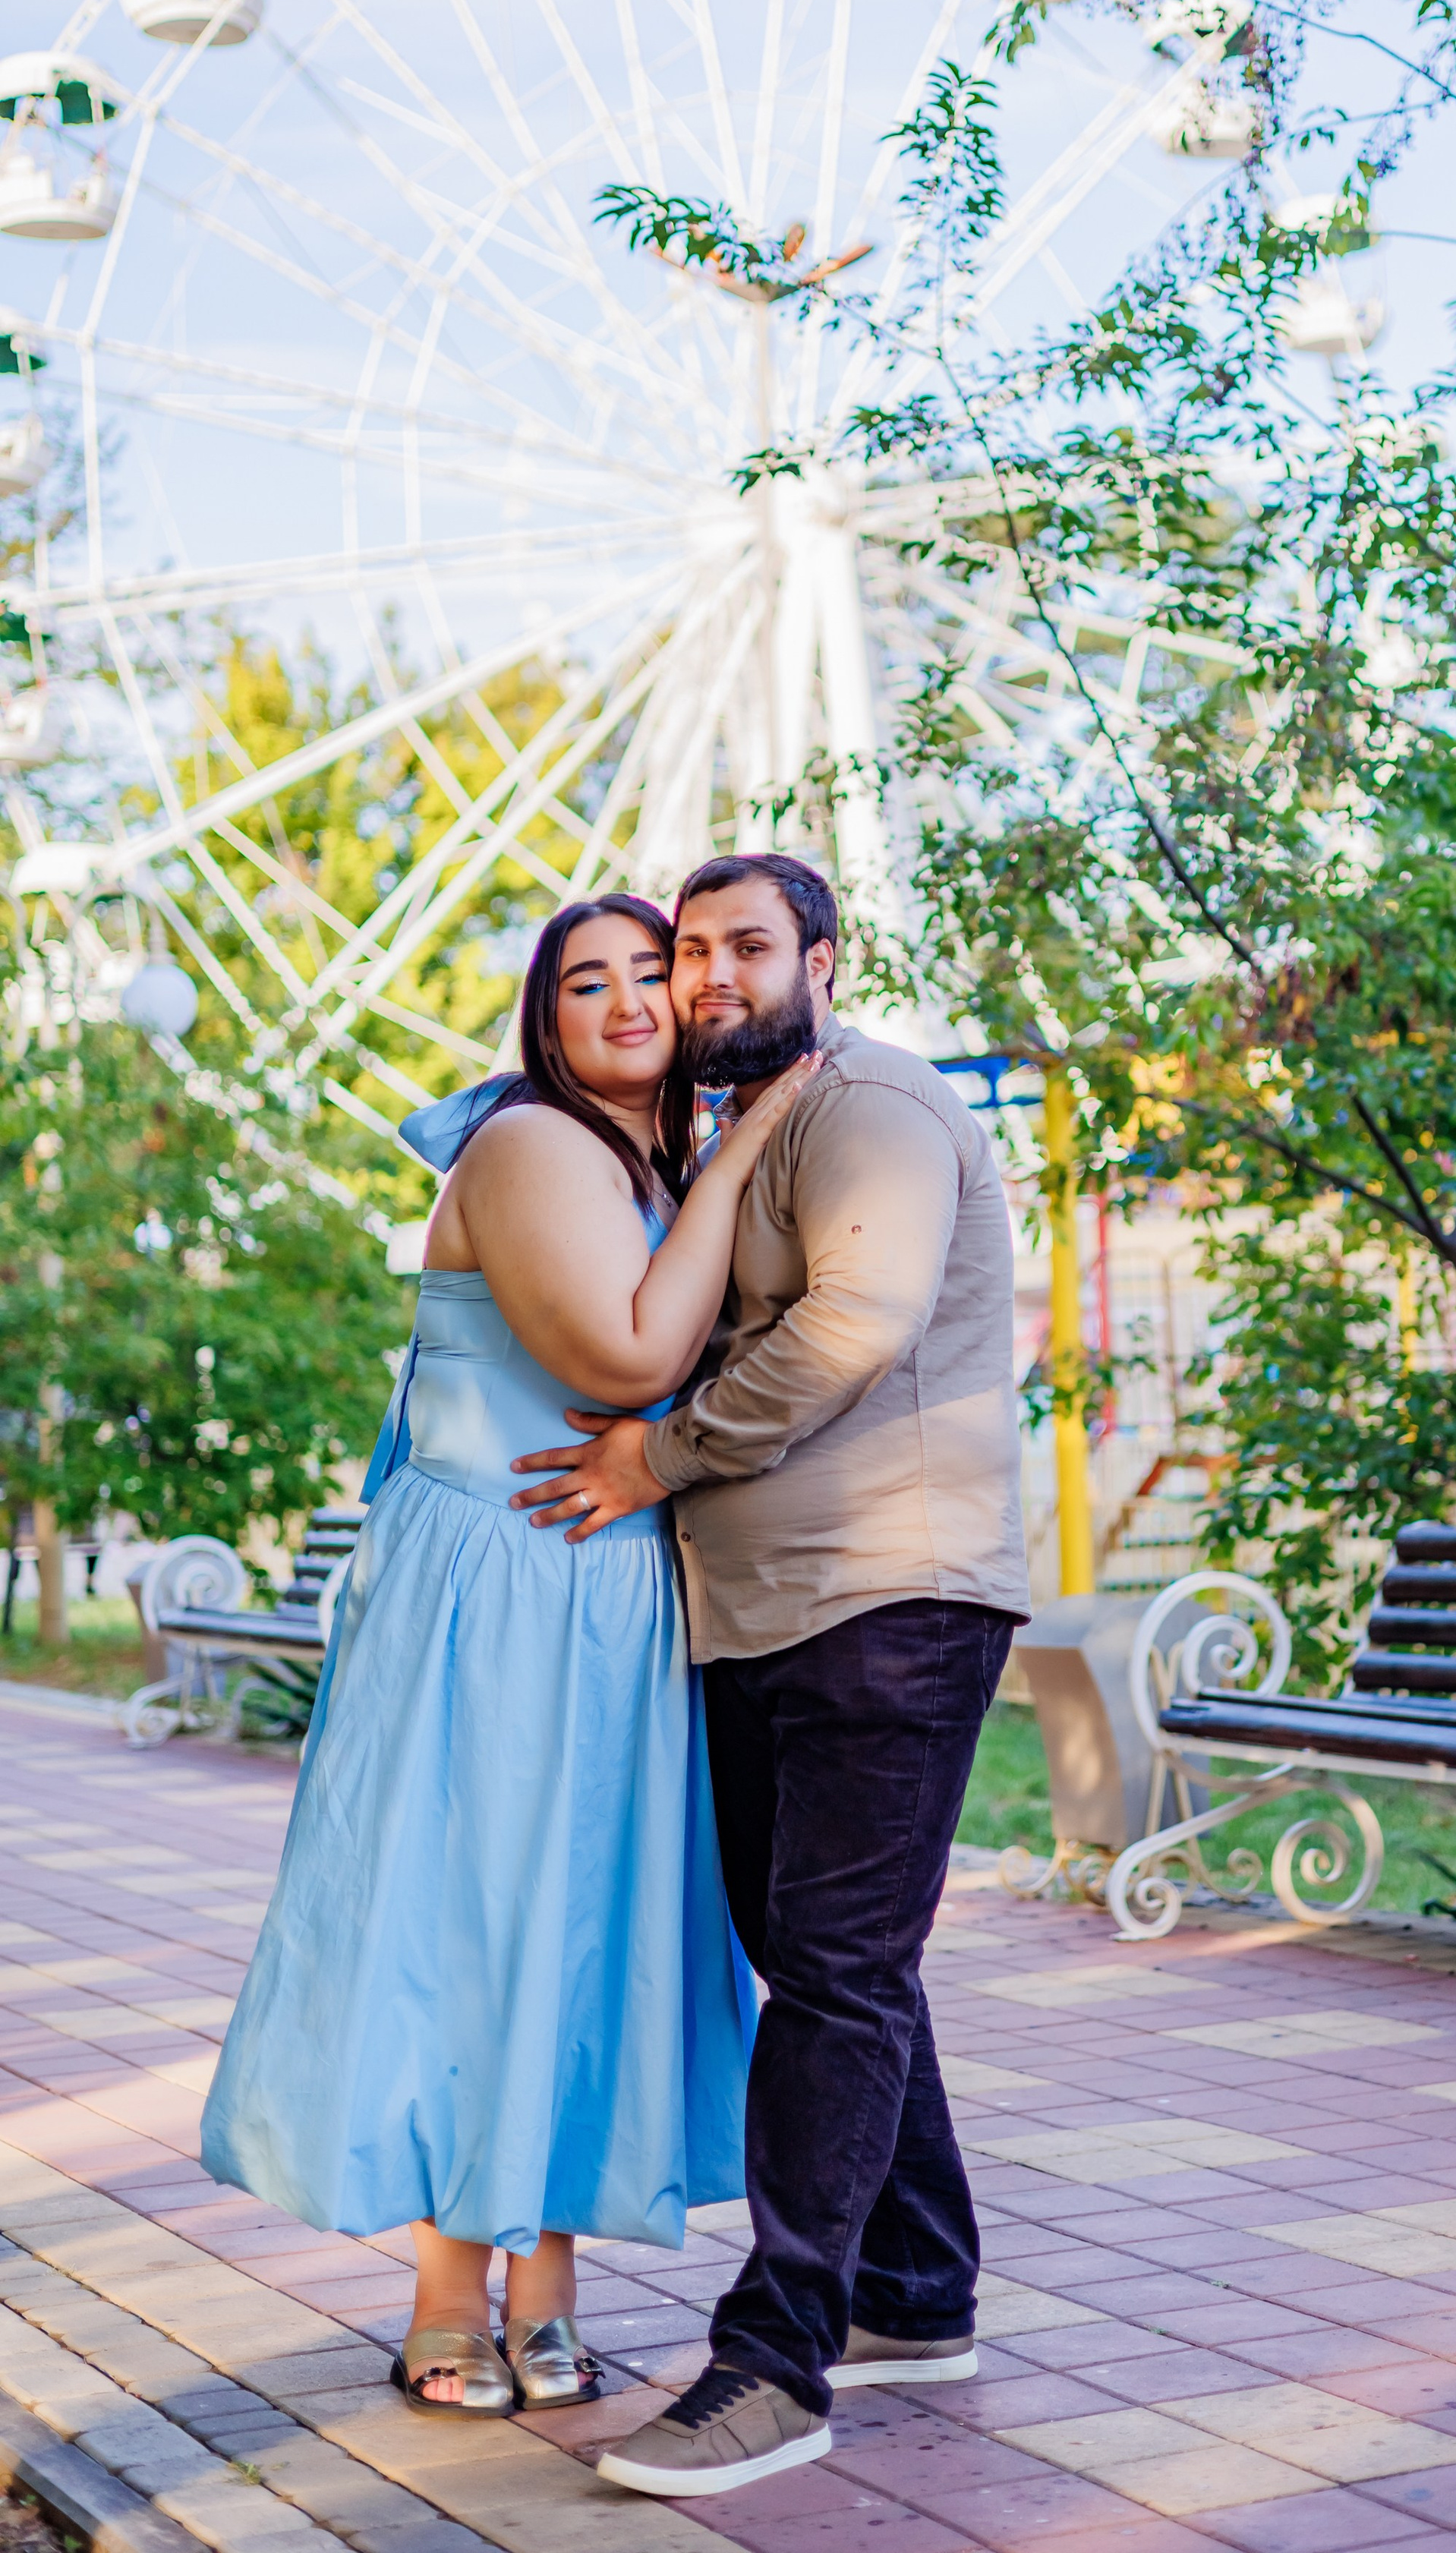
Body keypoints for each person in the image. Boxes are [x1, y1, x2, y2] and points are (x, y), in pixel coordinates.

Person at [201, 896, 817, 2423]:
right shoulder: (532, 1143)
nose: (628, 1000)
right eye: (584, 982)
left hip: (604, 1591)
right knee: (474, 1918)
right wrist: (749, 1139)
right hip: (498, 1584)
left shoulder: (644, 1160)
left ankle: (546, 2290)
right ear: (543, 1020)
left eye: (650, 973)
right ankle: (444, 2297)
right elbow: (629, 1357)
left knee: (579, 1921)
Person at [509, 852, 1030, 2499]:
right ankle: (915, 2292)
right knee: (822, 1957)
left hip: (891, 1592)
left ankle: (772, 2363)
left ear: (824, 958)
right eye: (690, 949)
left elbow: (853, 1326)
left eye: (747, 945)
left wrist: (658, 1459)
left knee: (836, 1975)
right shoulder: (745, 1126)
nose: (709, 976)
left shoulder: (871, 1106)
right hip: (764, 1608)